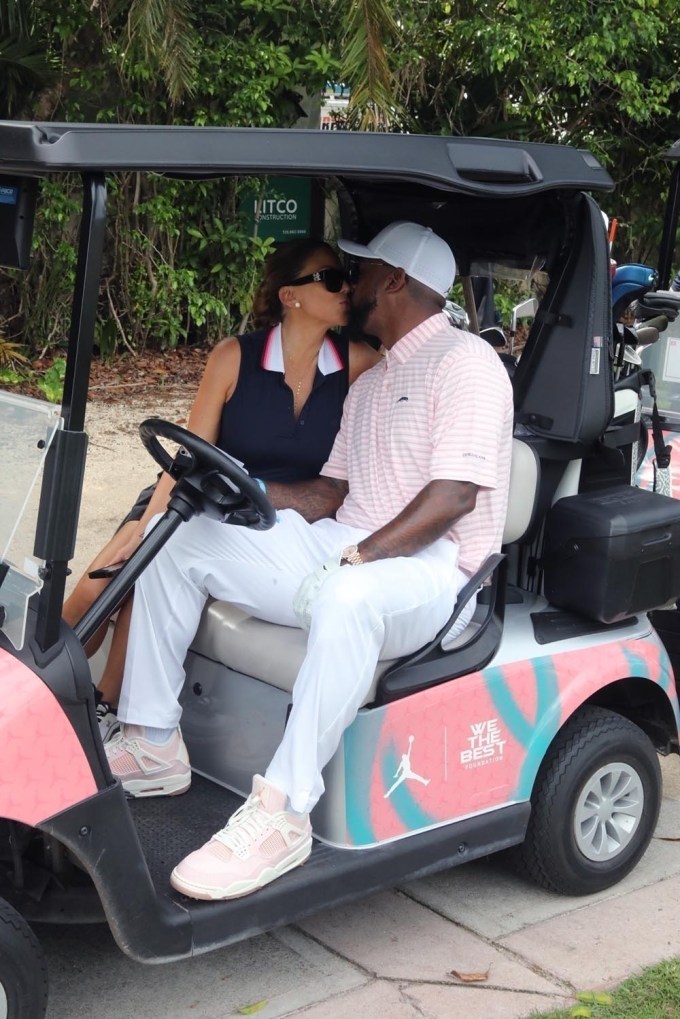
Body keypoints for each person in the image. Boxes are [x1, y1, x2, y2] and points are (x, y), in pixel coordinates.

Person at [106, 220, 514, 902]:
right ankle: (152, 741)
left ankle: (284, 810)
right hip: (348, 546)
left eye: (358, 272)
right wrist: (244, 495)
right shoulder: (376, 377)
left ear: (394, 281)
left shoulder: (465, 362)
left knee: (345, 598)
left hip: (437, 572)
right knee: (181, 538)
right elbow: (331, 491)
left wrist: (361, 556)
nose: (348, 283)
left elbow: (453, 497)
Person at [62, 237, 380, 740]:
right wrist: (143, 531)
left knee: (149, 573)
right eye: (330, 279)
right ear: (290, 296)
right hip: (194, 498)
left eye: (347, 278)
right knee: (107, 576)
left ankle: (105, 706)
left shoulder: (358, 363)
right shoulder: (234, 356)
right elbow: (187, 458)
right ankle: (47, 693)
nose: (346, 290)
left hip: (278, 520)